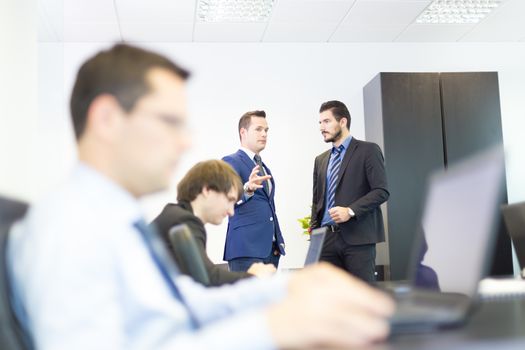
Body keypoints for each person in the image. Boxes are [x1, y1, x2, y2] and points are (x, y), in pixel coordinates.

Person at [7, 44, 394, 350]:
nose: (186, 140)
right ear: (107, 119)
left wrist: (284, 288)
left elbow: (182, 302)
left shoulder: (114, 220)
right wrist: (276, 328)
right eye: (169, 121)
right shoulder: (70, 232)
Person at [151, 159, 276, 286]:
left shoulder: (176, 215)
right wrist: (254, 276)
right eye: (229, 200)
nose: (231, 212)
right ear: (207, 190)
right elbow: (207, 278)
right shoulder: (184, 220)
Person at [310, 100, 389, 284]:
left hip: (358, 239)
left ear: (343, 121)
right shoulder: (320, 160)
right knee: (328, 298)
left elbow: (381, 190)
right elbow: (316, 200)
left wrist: (350, 211)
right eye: (320, 123)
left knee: (362, 296)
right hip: (326, 240)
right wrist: (314, 233)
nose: (322, 127)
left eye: (327, 121)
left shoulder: (368, 150)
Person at [222, 111, 285, 272]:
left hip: (270, 251)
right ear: (243, 132)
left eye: (266, 130)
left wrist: (277, 241)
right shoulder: (230, 161)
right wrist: (247, 189)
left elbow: (269, 206)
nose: (264, 134)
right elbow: (224, 200)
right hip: (246, 250)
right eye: (258, 129)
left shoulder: (263, 167)